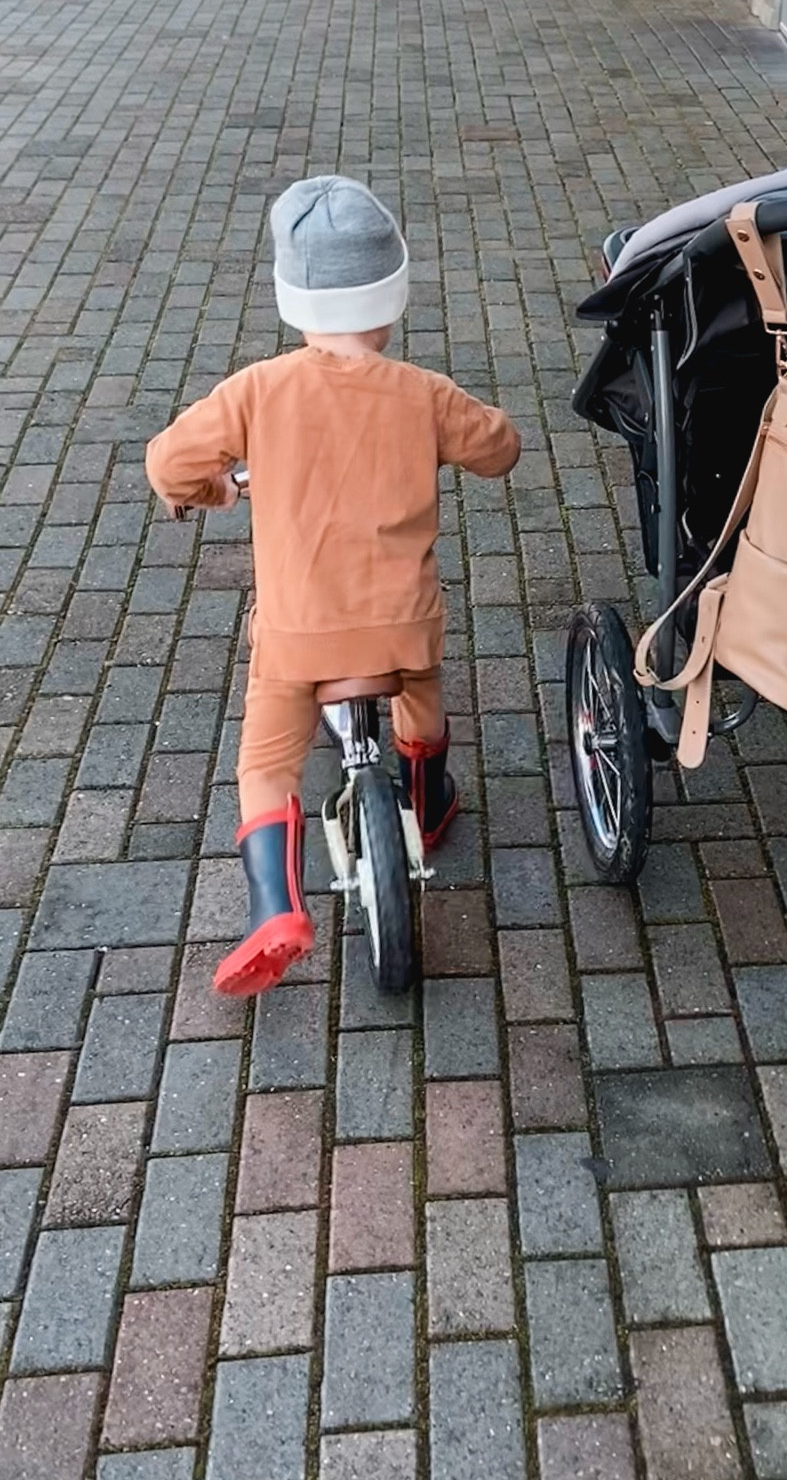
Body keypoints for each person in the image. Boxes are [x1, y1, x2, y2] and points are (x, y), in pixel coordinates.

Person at [146, 176, 521, 998]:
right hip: (402, 628)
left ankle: (275, 907)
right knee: (423, 696)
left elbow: (169, 463)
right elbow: (501, 447)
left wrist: (217, 491)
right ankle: (427, 797)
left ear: (293, 299)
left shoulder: (257, 391)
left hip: (299, 637)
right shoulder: (424, 393)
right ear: (392, 296)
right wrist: (462, 442)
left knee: (267, 758)